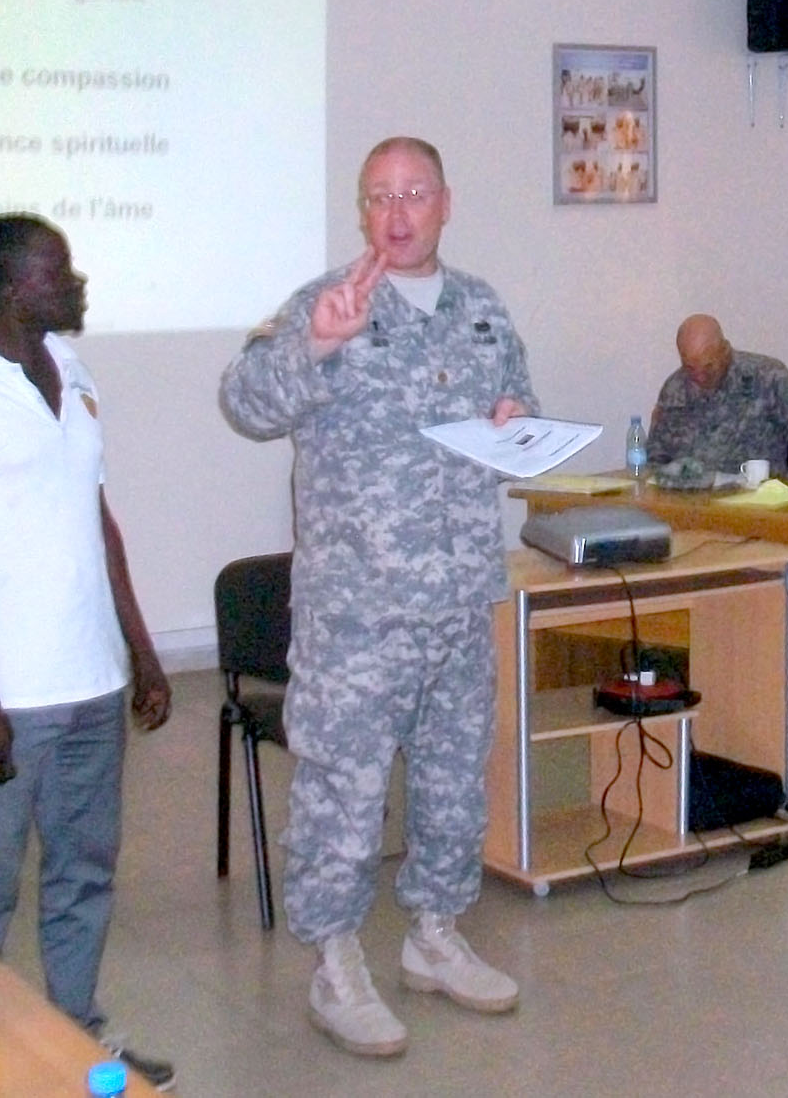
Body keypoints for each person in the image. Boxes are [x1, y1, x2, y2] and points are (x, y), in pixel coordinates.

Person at [219, 137, 535, 1058]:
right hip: (355, 609)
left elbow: (517, 403)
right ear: (361, 211)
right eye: (378, 197)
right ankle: (335, 962)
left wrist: (514, 424)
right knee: (342, 793)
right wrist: (317, 342)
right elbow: (246, 401)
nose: (397, 214)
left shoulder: (483, 308)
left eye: (415, 194)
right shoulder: (328, 301)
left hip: (460, 595)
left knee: (450, 782)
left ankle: (436, 936)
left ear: (446, 202)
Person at [0, 214, 176, 1090]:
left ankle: (76, 1037)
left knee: (84, 875)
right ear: (14, 288)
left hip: (93, 681)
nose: (77, 281)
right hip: (6, 701)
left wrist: (142, 646)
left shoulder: (75, 371)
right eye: (59, 271)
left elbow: (97, 520)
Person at [645, 314, 788, 472]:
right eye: (690, 368)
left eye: (708, 366)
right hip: (688, 505)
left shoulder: (768, 377)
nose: (700, 377)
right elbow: (656, 456)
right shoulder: (675, 388)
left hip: (756, 504)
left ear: (725, 350)